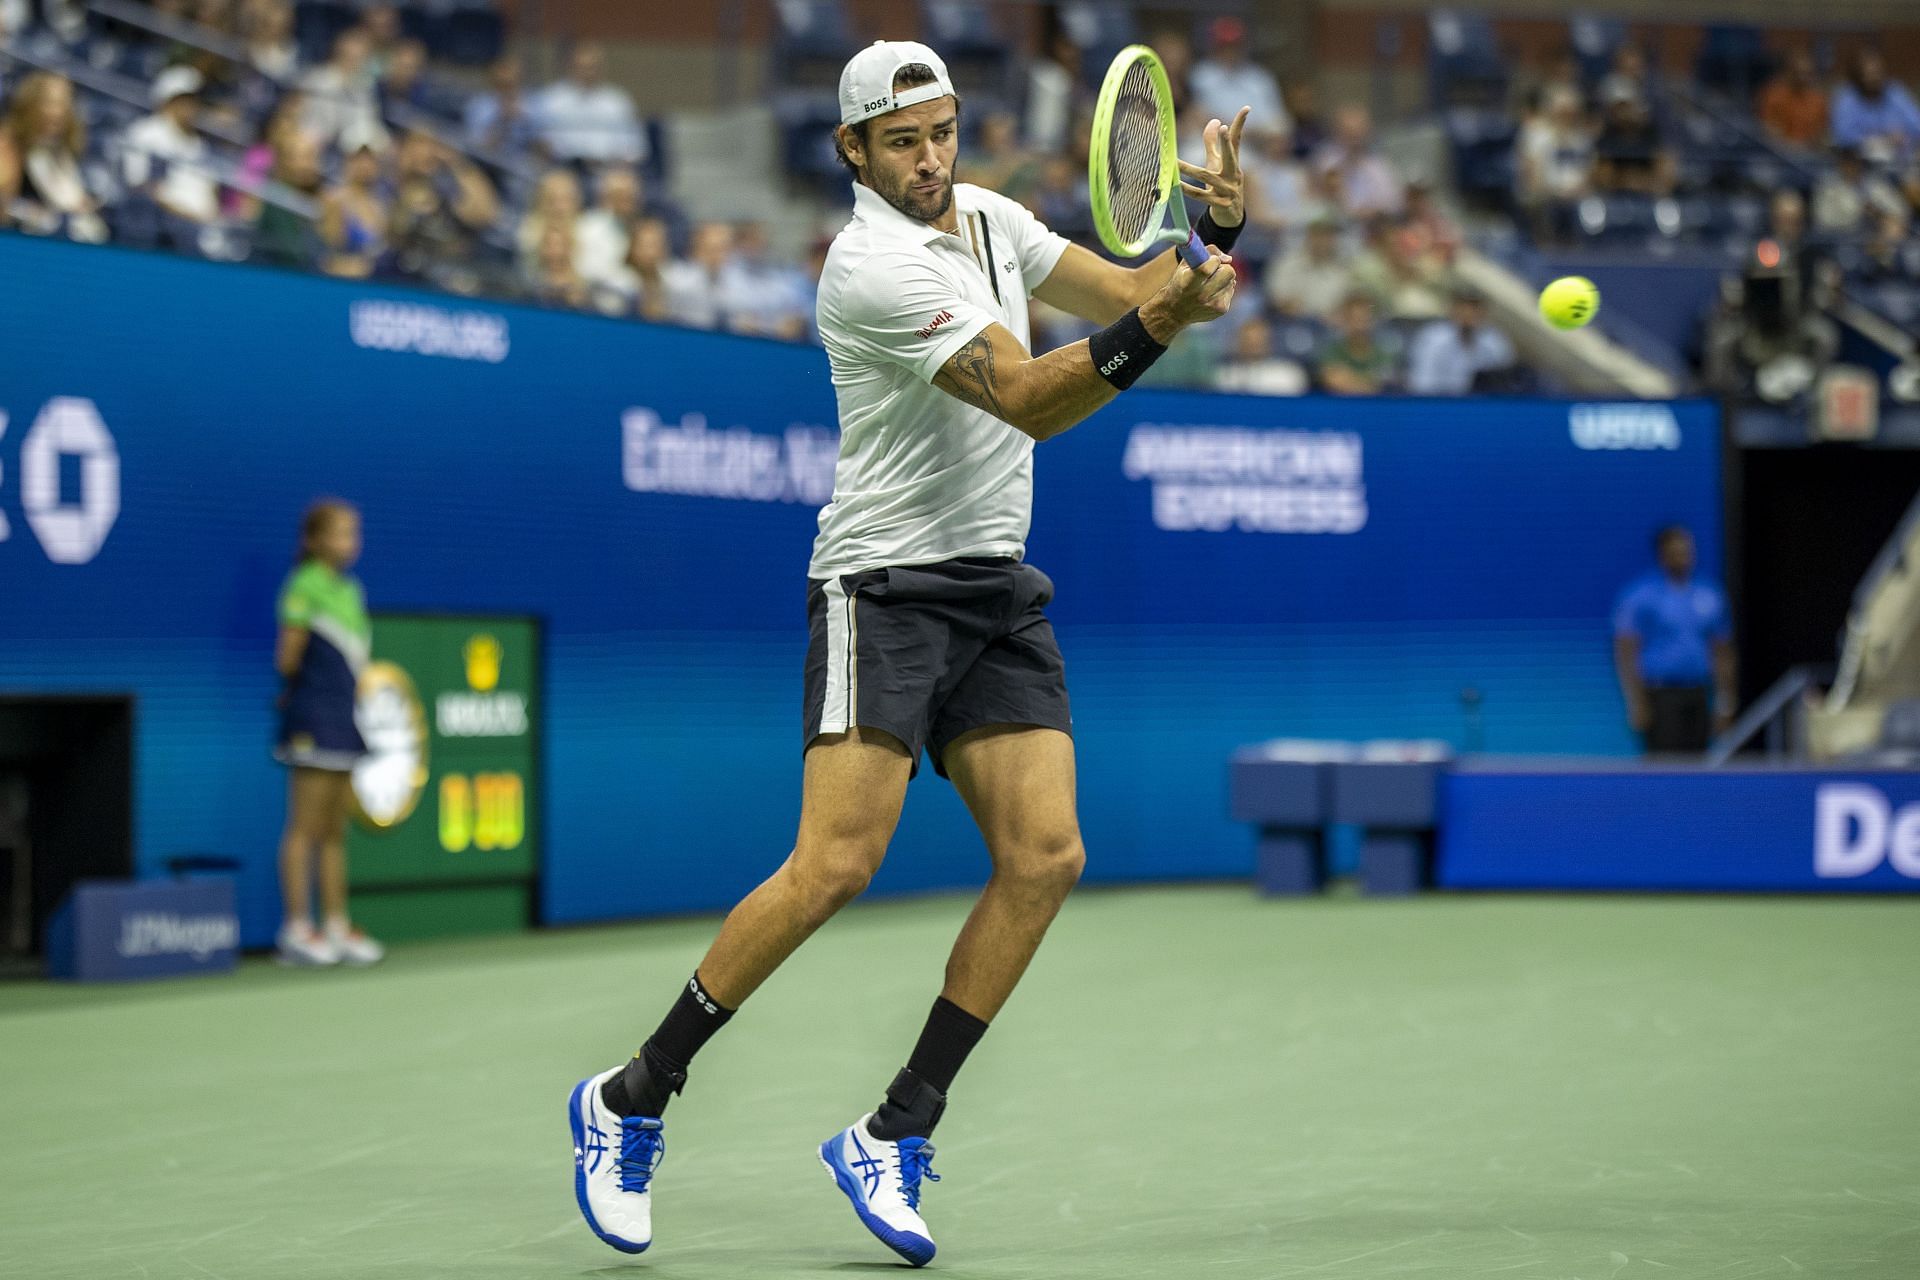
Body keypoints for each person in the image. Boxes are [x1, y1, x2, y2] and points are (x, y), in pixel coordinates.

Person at [566, 39, 1242, 1266]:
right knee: (834, 863)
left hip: (996, 585)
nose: (930, 158)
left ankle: (895, 1128)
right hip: (881, 588)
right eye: (902, 141)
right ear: (854, 152)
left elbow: (1116, 290)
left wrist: (1195, 269)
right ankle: (631, 1096)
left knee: (1046, 855)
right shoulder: (867, 266)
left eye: (941, 131)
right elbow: (1035, 394)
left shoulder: (987, 214)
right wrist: (1160, 317)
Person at [272, 500, 384, 967]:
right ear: (314, 541)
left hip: (344, 718)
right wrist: (309, 698)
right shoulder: (304, 586)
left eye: (353, 533)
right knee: (305, 826)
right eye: (339, 534)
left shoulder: (350, 590)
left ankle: (336, 925)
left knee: (334, 829)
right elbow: (287, 659)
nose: (349, 543)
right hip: (313, 717)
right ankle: (297, 928)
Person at [1613, 525, 1737, 755]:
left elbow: (1722, 652)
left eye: (1687, 551)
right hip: (1661, 696)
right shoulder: (1642, 596)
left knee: (1699, 767)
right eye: (1676, 552)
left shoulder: (1709, 594)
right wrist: (1636, 702)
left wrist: (1724, 701)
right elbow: (1626, 651)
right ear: (1662, 555)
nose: (1683, 557)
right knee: (1664, 769)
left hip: (1699, 693)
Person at [0, 71, 107, 242]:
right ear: (29, 104)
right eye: (50, 103)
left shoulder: (61, 152)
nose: (59, 112)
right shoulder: (8, 145)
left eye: (65, 103)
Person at [121, 66, 222, 232]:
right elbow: (140, 184)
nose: (191, 106)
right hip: (165, 227)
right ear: (169, 100)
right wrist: (186, 214)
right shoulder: (146, 132)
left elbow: (211, 192)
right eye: (185, 99)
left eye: (195, 100)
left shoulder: (200, 144)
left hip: (203, 227)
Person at [535, 42, 644, 168]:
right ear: (570, 67)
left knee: (620, 184)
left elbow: (636, 146)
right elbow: (540, 142)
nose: (587, 72)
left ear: (601, 68)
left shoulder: (618, 102)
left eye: (592, 67)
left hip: (608, 170)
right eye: (581, 67)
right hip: (563, 168)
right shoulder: (552, 100)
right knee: (559, 185)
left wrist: (621, 162)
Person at [1406, 286, 1516, 395]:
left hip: (1481, 406)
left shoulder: (1495, 342)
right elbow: (1421, 385)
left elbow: (1507, 384)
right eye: (1463, 307)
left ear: (1483, 312)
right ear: (1452, 310)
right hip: (1441, 405)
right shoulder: (1433, 339)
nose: (1468, 313)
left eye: (1474, 308)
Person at [1190, 16, 1287, 136]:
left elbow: (1279, 122)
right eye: (1224, 45)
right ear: (1214, 46)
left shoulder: (1260, 78)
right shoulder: (1201, 75)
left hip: (1257, 144)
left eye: (1234, 45)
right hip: (1214, 139)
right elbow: (1197, 116)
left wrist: (1252, 133)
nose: (1230, 51)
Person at [1831, 49, 1920, 166]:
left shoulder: (1895, 92)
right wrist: (1878, 139)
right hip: (1861, 164)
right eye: (1869, 74)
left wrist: (1904, 135)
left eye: (1878, 73)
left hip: (1899, 161)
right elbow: (1841, 135)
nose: (1875, 78)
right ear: (1858, 76)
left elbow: (1917, 125)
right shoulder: (1847, 98)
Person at [1263, 214, 1352, 319]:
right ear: (1308, 236)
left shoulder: (1342, 271)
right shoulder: (1286, 264)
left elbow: (1343, 308)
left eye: (1328, 236)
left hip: (1326, 328)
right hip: (1289, 322)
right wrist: (1288, 306)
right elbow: (1276, 300)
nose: (1323, 241)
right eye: (1318, 235)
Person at [1316, 290, 1395, 394]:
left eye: (1365, 319)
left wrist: (1351, 380)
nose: (1359, 326)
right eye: (1354, 319)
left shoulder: (1386, 350)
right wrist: (1367, 384)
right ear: (1343, 320)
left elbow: (1387, 381)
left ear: (1375, 321)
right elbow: (1333, 379)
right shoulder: (1331, 349)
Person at [1215, 314, 1307, 395]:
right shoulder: (1224, 375)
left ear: (1268, 341)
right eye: (1248, 340)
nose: (1253, 345)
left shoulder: (1287, 375)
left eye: (1258, 340)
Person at [1758, 48, 1829, 148]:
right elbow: (1768, 129)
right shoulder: (1774, 95)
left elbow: (1823, 131)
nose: (1803, 77)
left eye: (1807, 73)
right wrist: (1791, 146)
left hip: (1810, 152)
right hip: (1780, 152)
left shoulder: (1818, 99)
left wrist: (1811, 143)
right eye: (1798, 73)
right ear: (1789, 71)